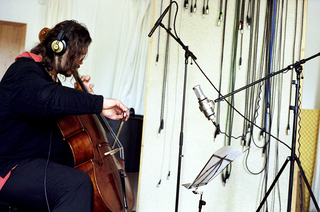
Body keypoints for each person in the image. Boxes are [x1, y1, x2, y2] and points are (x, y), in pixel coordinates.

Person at [0, 20, 129, 212]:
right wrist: (99, 103)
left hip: (37, 161)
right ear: (58, 48)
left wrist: (84, 95)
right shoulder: (23, 72)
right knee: (76, 185)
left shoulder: (46, 78)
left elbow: (62, 105)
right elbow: (49, 98)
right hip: (10, 167)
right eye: (79, 55)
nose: (81, 62)